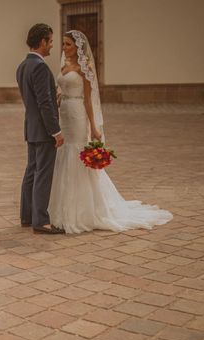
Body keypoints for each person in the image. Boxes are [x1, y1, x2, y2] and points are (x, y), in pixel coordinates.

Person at [48, 30, 173, 234]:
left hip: (78, 116)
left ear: (78, 47)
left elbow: (88, 99)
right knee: (64, 153)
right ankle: (62, 209)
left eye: (68, 44)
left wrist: (94, 128)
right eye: (63, 44)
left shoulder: (83, 68)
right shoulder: (63, 66)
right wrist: (59, 99)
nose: (64, 48)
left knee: (76, 154)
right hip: (64, 114)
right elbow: (61, 89)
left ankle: (85, 211)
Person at [16, 24, 65, 234]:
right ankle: (41, 221)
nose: (52, 45)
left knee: (31, 172)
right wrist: (56, 131)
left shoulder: (22, 66)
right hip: (44, 130)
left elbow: (34, 100)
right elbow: (44, 103)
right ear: (42, 41)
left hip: (31, 128)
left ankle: (27, 216)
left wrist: (56, 101)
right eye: (51, 41)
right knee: (43, 174)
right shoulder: (41, 67)